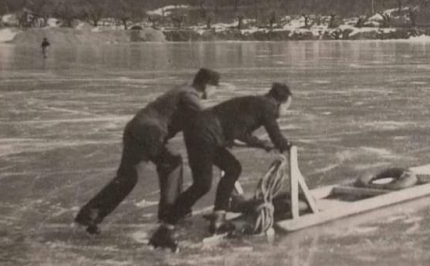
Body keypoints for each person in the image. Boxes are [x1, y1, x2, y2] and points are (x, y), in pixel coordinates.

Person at [74, 68, 220, 242]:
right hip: (150, 132)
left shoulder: (182, 91)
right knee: (172, 163)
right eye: (216, 87)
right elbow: (209, 120)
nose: (216, 92)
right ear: (207, 85)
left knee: (127, 178)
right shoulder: (190, 95)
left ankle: (88, 217)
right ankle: (170, 214)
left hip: (135, 129)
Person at [161, 83, 293, 238]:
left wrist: (262, 144)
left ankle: (218, 215)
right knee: (203, 184)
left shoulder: (256, 103)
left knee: (232, 168)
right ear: (279, 102)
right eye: (287, 107)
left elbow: (238, 133)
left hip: (202, 130)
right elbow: (277, 137)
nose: (286, 111)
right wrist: (287, 145)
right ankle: (167, 223)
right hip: (204, 133)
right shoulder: (267, 107)